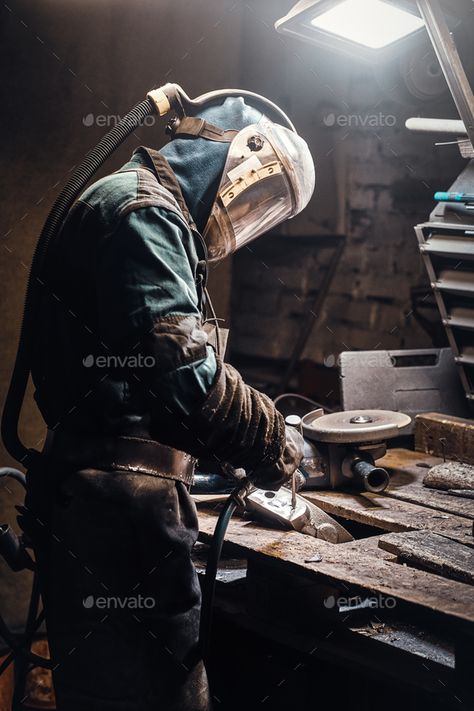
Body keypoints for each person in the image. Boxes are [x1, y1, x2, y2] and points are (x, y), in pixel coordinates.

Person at [25, 88, 315, 710]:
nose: (246, 216)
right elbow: (182, 376)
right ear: (239, 154)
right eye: (258, 197)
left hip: (99, 497)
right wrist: (273, 438)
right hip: (120, 508)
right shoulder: (143, 214)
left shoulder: (140, 209)